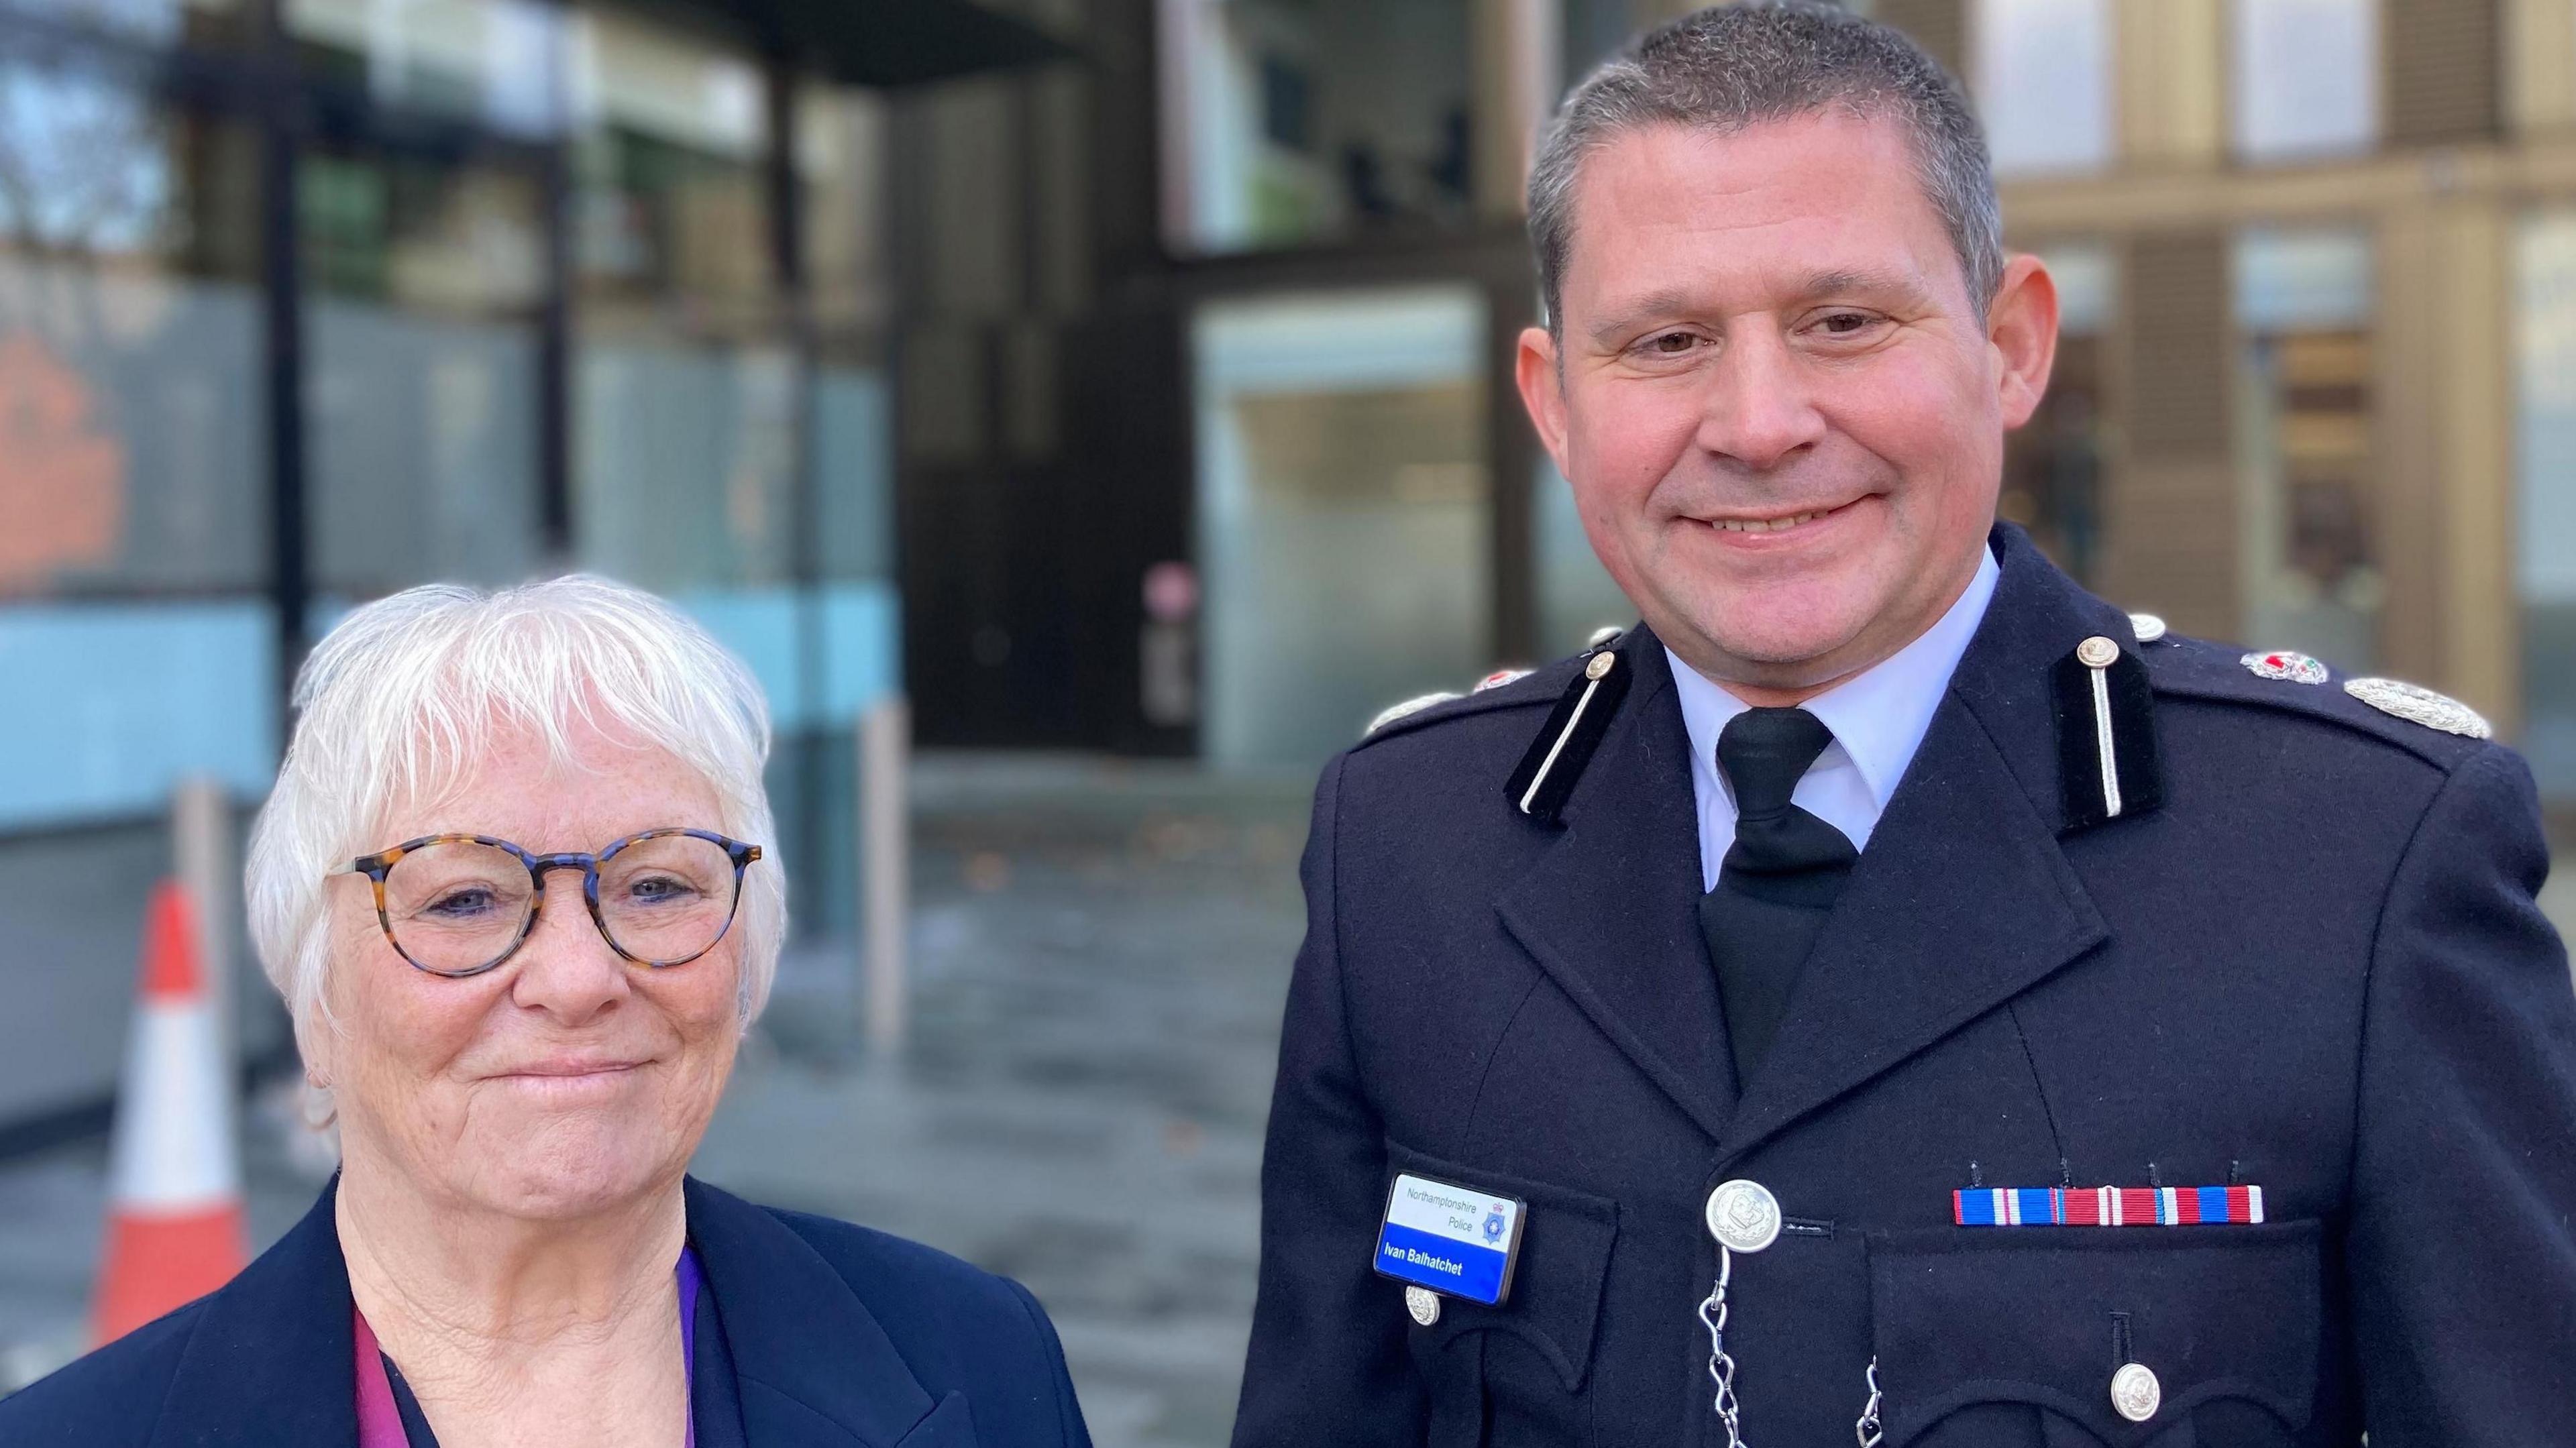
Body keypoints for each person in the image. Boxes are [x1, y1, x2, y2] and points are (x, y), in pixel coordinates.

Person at [1229, 5, 2576, 1446]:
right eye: (1667, 339)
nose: (1757, 422)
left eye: (1844, 321)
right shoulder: (1408, 843)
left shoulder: (2357, 860)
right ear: (1557, 407)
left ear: (2010, 348)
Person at [0, 577, 1093, 1448]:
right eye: (464, 898)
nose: (576, 980)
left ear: (748, 953)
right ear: (316, 996)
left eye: (657, 886)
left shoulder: (976, 1359)